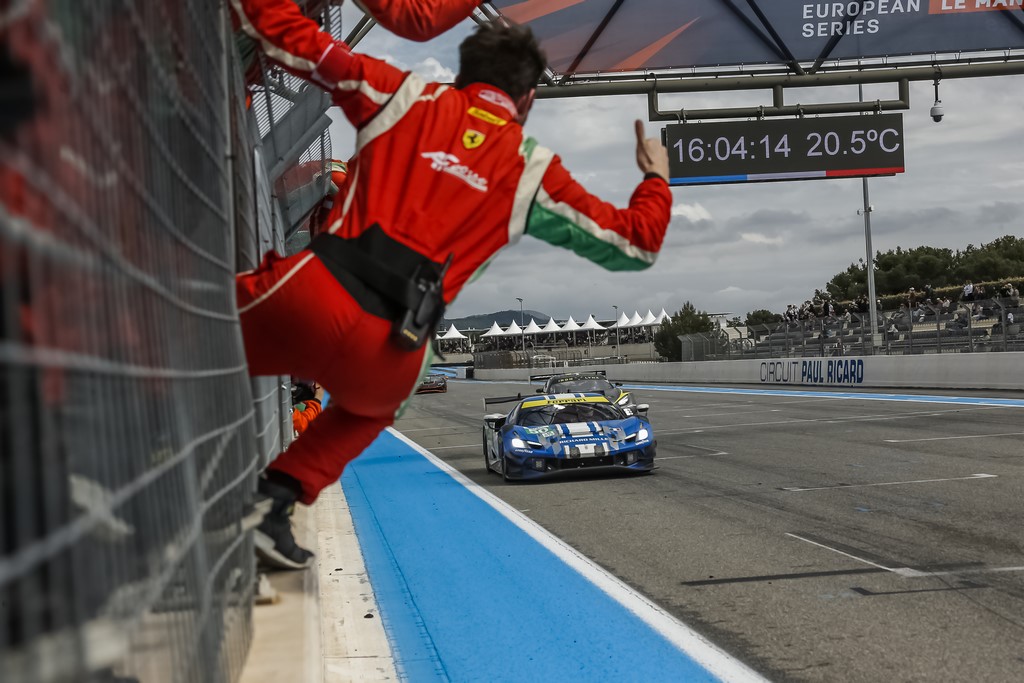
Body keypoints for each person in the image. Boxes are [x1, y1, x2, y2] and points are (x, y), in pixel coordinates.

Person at [234, 4, 673, 568]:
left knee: (169, 332)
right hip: (392, 346)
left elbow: (296, 41)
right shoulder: (530, 169)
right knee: (375, 405)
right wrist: (654, 177)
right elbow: (635, 244)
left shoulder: (403, 95)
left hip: (316, 288)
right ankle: (276, 499)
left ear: (461, 76)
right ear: (527, 100)